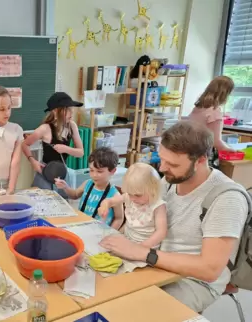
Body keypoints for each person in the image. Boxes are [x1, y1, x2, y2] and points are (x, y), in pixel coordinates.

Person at [99, 121, 248, 312]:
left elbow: (209, 269)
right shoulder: (171, 180)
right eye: (162, 159)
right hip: (156, 263)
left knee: (135, 312)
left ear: (201, 160)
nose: (162, 168)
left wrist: (142, 253)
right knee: (104, 292)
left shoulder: (226, 198)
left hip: (193, 281)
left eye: (172, 164)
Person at [22, 92, 84, 196]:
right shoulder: (45, 128)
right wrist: (33, 161)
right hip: (45, 173)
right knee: (43, 203)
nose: (71, 112)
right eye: (67, 109)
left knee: (63, 205)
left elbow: (80, 152)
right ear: (56, 111)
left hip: (62, 173)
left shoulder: (72, 126)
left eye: (71, 109)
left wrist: (66, 149)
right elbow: (24, 144)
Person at [98, 162, 167, 249]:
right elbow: (110, 201)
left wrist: (141, 247)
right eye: (130, 194)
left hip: (147, 247)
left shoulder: (158, 206)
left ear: (153, 190)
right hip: (128, 239)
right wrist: (105, 206)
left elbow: (161, 232)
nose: (133, 198)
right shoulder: (129, 197)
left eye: (138, 195)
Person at [55, 147, 124, 230]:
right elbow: (75, 195)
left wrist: (110, 233)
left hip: (99, 232)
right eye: (91, 170)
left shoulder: (115, 196)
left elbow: (119, 218)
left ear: (112, 171)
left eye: (99, 171)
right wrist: (65, 187)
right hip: (81, 226)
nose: (94, 175)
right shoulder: (88, 183)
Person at [188, 76, 235, 152]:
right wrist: (233, 151)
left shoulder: (198, 107)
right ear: (225, 93)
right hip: (200, 153)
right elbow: (216, 142)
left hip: (190, 150)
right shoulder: (214, 111)